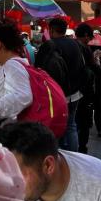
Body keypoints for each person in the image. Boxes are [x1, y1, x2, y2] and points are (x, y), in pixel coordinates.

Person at [36, 18, 87, 152]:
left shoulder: (48, 45)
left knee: (53, 126)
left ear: (51, 29)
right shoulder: (76, 44)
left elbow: (39, 71)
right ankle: (73, 156)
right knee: (71, 126)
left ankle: (55, 155)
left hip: (56, 94)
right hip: (75, 93)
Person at [74, 23, 97, 152]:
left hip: (72, 92)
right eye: (90, 37)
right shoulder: (84, 48)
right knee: (84, 124)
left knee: (73, 123)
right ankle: (82, 148)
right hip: (85, 92)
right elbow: (93, 70)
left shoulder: (71, 46)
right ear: (86, 36)